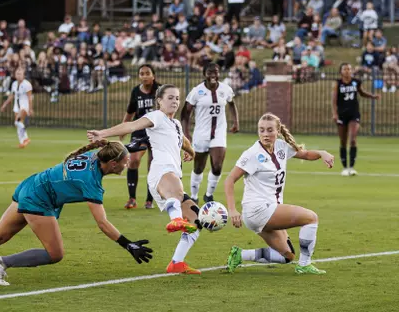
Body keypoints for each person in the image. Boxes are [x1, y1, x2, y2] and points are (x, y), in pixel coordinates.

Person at [0, 140, 153, 286]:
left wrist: (134, 144)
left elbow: (114, 146)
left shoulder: (99, 154)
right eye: (125, 161)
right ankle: (1, 262)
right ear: (113, 163)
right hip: (40, 198)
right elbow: (102, 223)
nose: (128, 164)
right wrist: (128, 244)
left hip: (33, 185)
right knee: (55, 254)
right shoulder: (91, 182)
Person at [87, 84, 203, 275]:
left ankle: (177, 262)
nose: (175, 101)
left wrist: (191, 152)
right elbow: (131, 125)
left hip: (171, 175)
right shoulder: (156, 117)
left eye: (177, 98)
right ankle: (175, 220)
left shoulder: (176, 124)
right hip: (161, 172)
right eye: (170, 98)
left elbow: (183, 140)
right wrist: (103, 133)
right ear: (159, 101)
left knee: (196, 219)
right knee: (177, 190)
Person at [224, 113, 335, 275]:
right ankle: (304, 265)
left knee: (287, 256)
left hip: (266, 211)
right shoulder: (252, 154)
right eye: (261, 130)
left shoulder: (281, 147)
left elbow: (305, 154)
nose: (265, 134)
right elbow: (229, 180)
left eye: (269, 130)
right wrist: (232, 210)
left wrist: (322, 153)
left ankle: (239, 254)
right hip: (258, 210)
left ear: (278, 131)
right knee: (311, 218)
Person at [181, 63, 239, 204]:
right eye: (209, 72)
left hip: (219, 133)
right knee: (199, 167)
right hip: (201, 134)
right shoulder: (197, 91)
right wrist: (186, 133)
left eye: (216, 72)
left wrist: (236, 122)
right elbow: (185, 113)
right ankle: (194, 196)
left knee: (217, 166)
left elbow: (232, 104)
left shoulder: (225, 89)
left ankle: (208, 195)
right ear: (204, 74)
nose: (213, 75)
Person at [120, 64, 160, 209]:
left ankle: (150, 200)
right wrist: (124, 127)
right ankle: (132, 198)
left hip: (157, 131)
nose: (144, 76)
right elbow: (130, 111)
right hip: (140, 131)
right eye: (141, 73)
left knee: (153, 165)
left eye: (147, 73)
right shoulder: (136, 91)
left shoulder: (160, 91)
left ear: (153, 75)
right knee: (134, 160)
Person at [332, 63, 380, 176]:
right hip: (342, 114)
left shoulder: (356, 82)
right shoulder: (337, 84)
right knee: (343, 141)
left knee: (353, 139)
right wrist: (335, 114)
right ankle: (345, 168)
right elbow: (334, 100)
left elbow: (362, 92)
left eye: (349, 69)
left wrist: (372, 96)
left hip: (354, 114)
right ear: (341, 71)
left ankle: (352, 167)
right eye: (345, 69)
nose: (347, 71)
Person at [0, 68, 33, 149]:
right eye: (17, 73)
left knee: (17, 121)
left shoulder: (27, 84)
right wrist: (4, 105)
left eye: (20, 74)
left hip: (24, 105)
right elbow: (12, 96)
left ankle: (26, 138)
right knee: (18, 124)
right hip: (16, 106)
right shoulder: (14, 84)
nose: (18, 75)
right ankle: (22, 142)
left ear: (23, 75)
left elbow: (30, 97)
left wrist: (30, 109)